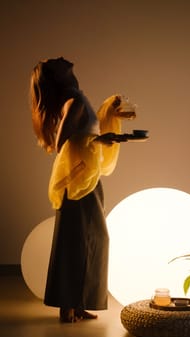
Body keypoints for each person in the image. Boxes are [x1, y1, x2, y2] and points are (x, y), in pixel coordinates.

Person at [30, 57, 136, 322]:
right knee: (76, 240)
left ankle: (76, 304)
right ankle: (67, 307)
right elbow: (62, 144)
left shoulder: (76, 98)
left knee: (91, 238)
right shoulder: (73, 102)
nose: (59, 57)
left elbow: (83, 133)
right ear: (56, 74)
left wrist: (110, 114)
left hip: (85, 178)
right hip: (77, 182)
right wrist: (101, 138)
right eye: (52, 61)